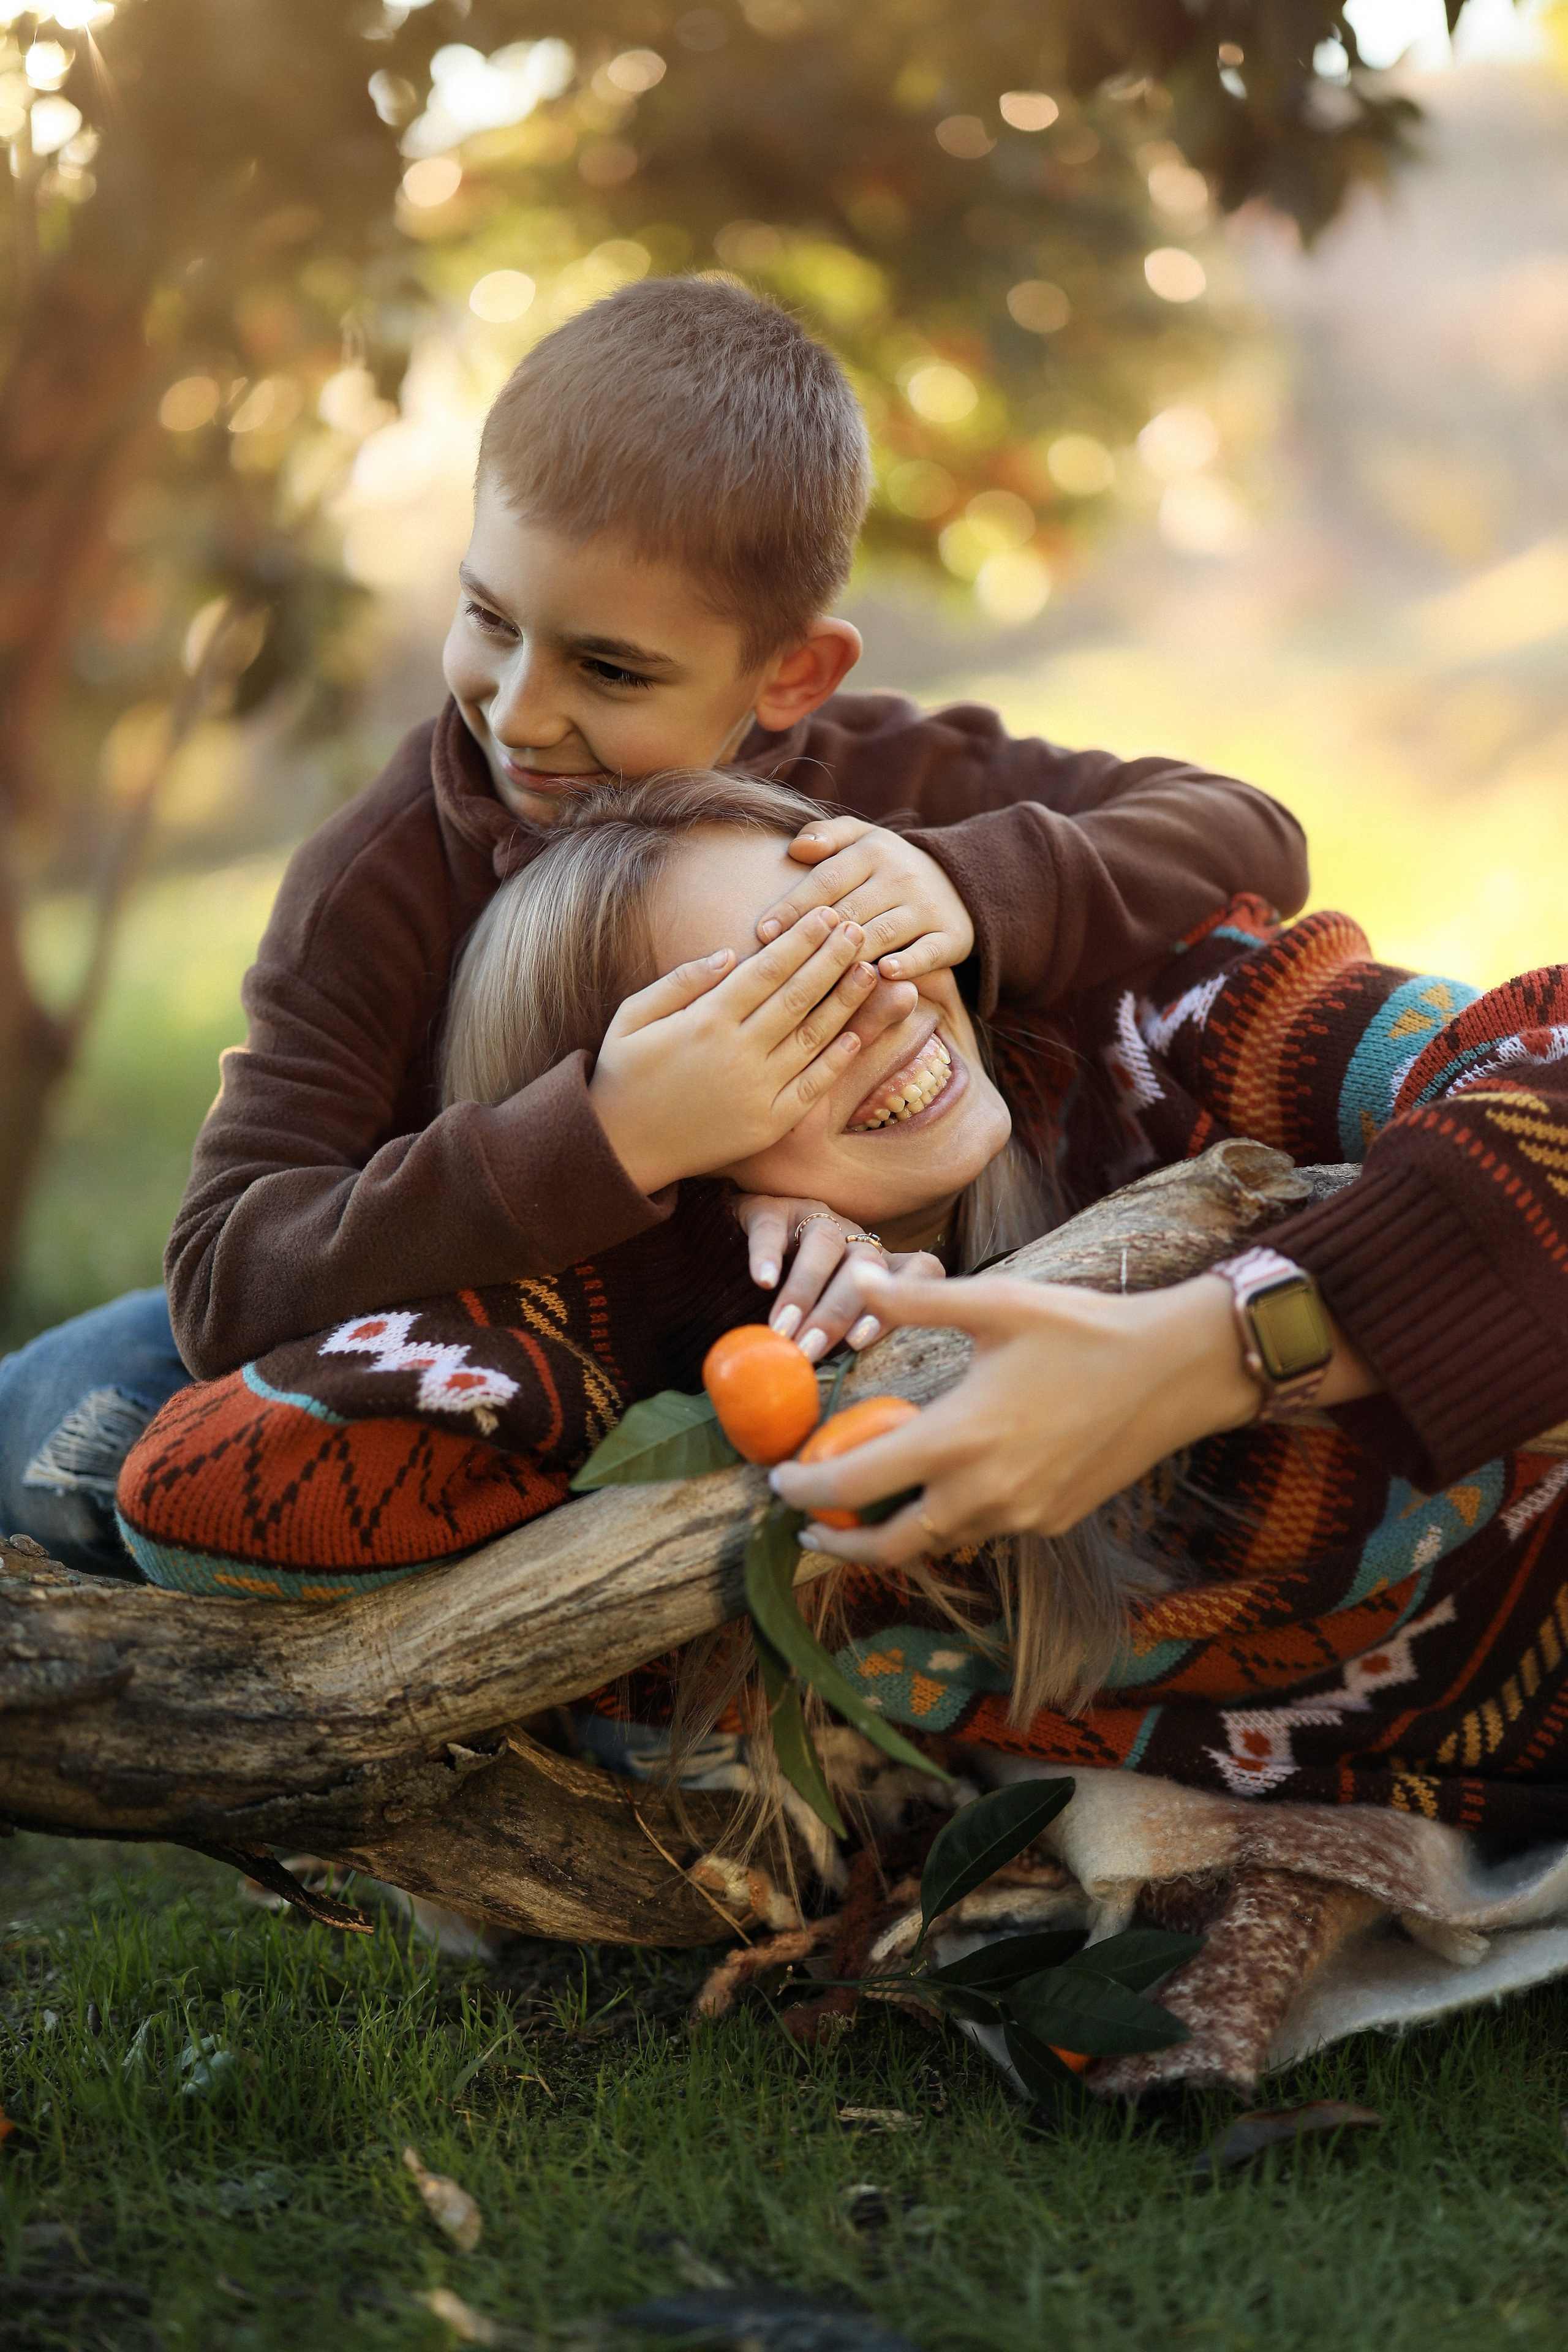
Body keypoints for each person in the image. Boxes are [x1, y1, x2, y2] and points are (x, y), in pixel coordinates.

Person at [0, 276, 1307, 1578]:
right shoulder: (376, 884)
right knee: (107, 1419)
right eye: (488, 621)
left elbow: (1244, 828)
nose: (517, 712)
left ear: (789, 674)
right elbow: (227, 1275)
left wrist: (969, 885)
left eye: (608, 669)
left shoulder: (877, 782)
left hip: (742, 1358)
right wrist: (613, 1135)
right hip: (430, 1341)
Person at [118, 775, 1568, 1844]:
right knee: (85, 1401)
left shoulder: (1158, 1032)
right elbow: (218, 1506)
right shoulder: (746, 1412)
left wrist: (1215, 1349)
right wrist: (660, 1224)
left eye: (849, 936)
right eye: (768, 1026)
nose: (871, 1012)